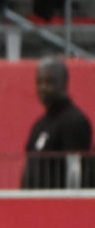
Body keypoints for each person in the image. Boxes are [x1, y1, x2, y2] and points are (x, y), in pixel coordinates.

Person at [21, 56, 93, 189]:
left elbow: (77, 172)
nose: (43, 87)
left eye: (49, 82)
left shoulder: (74, 121)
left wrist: (69, 199)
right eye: (39, 82)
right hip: (33, 200)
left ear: (64, 83)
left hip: (59, 200)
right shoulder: (39, 124)